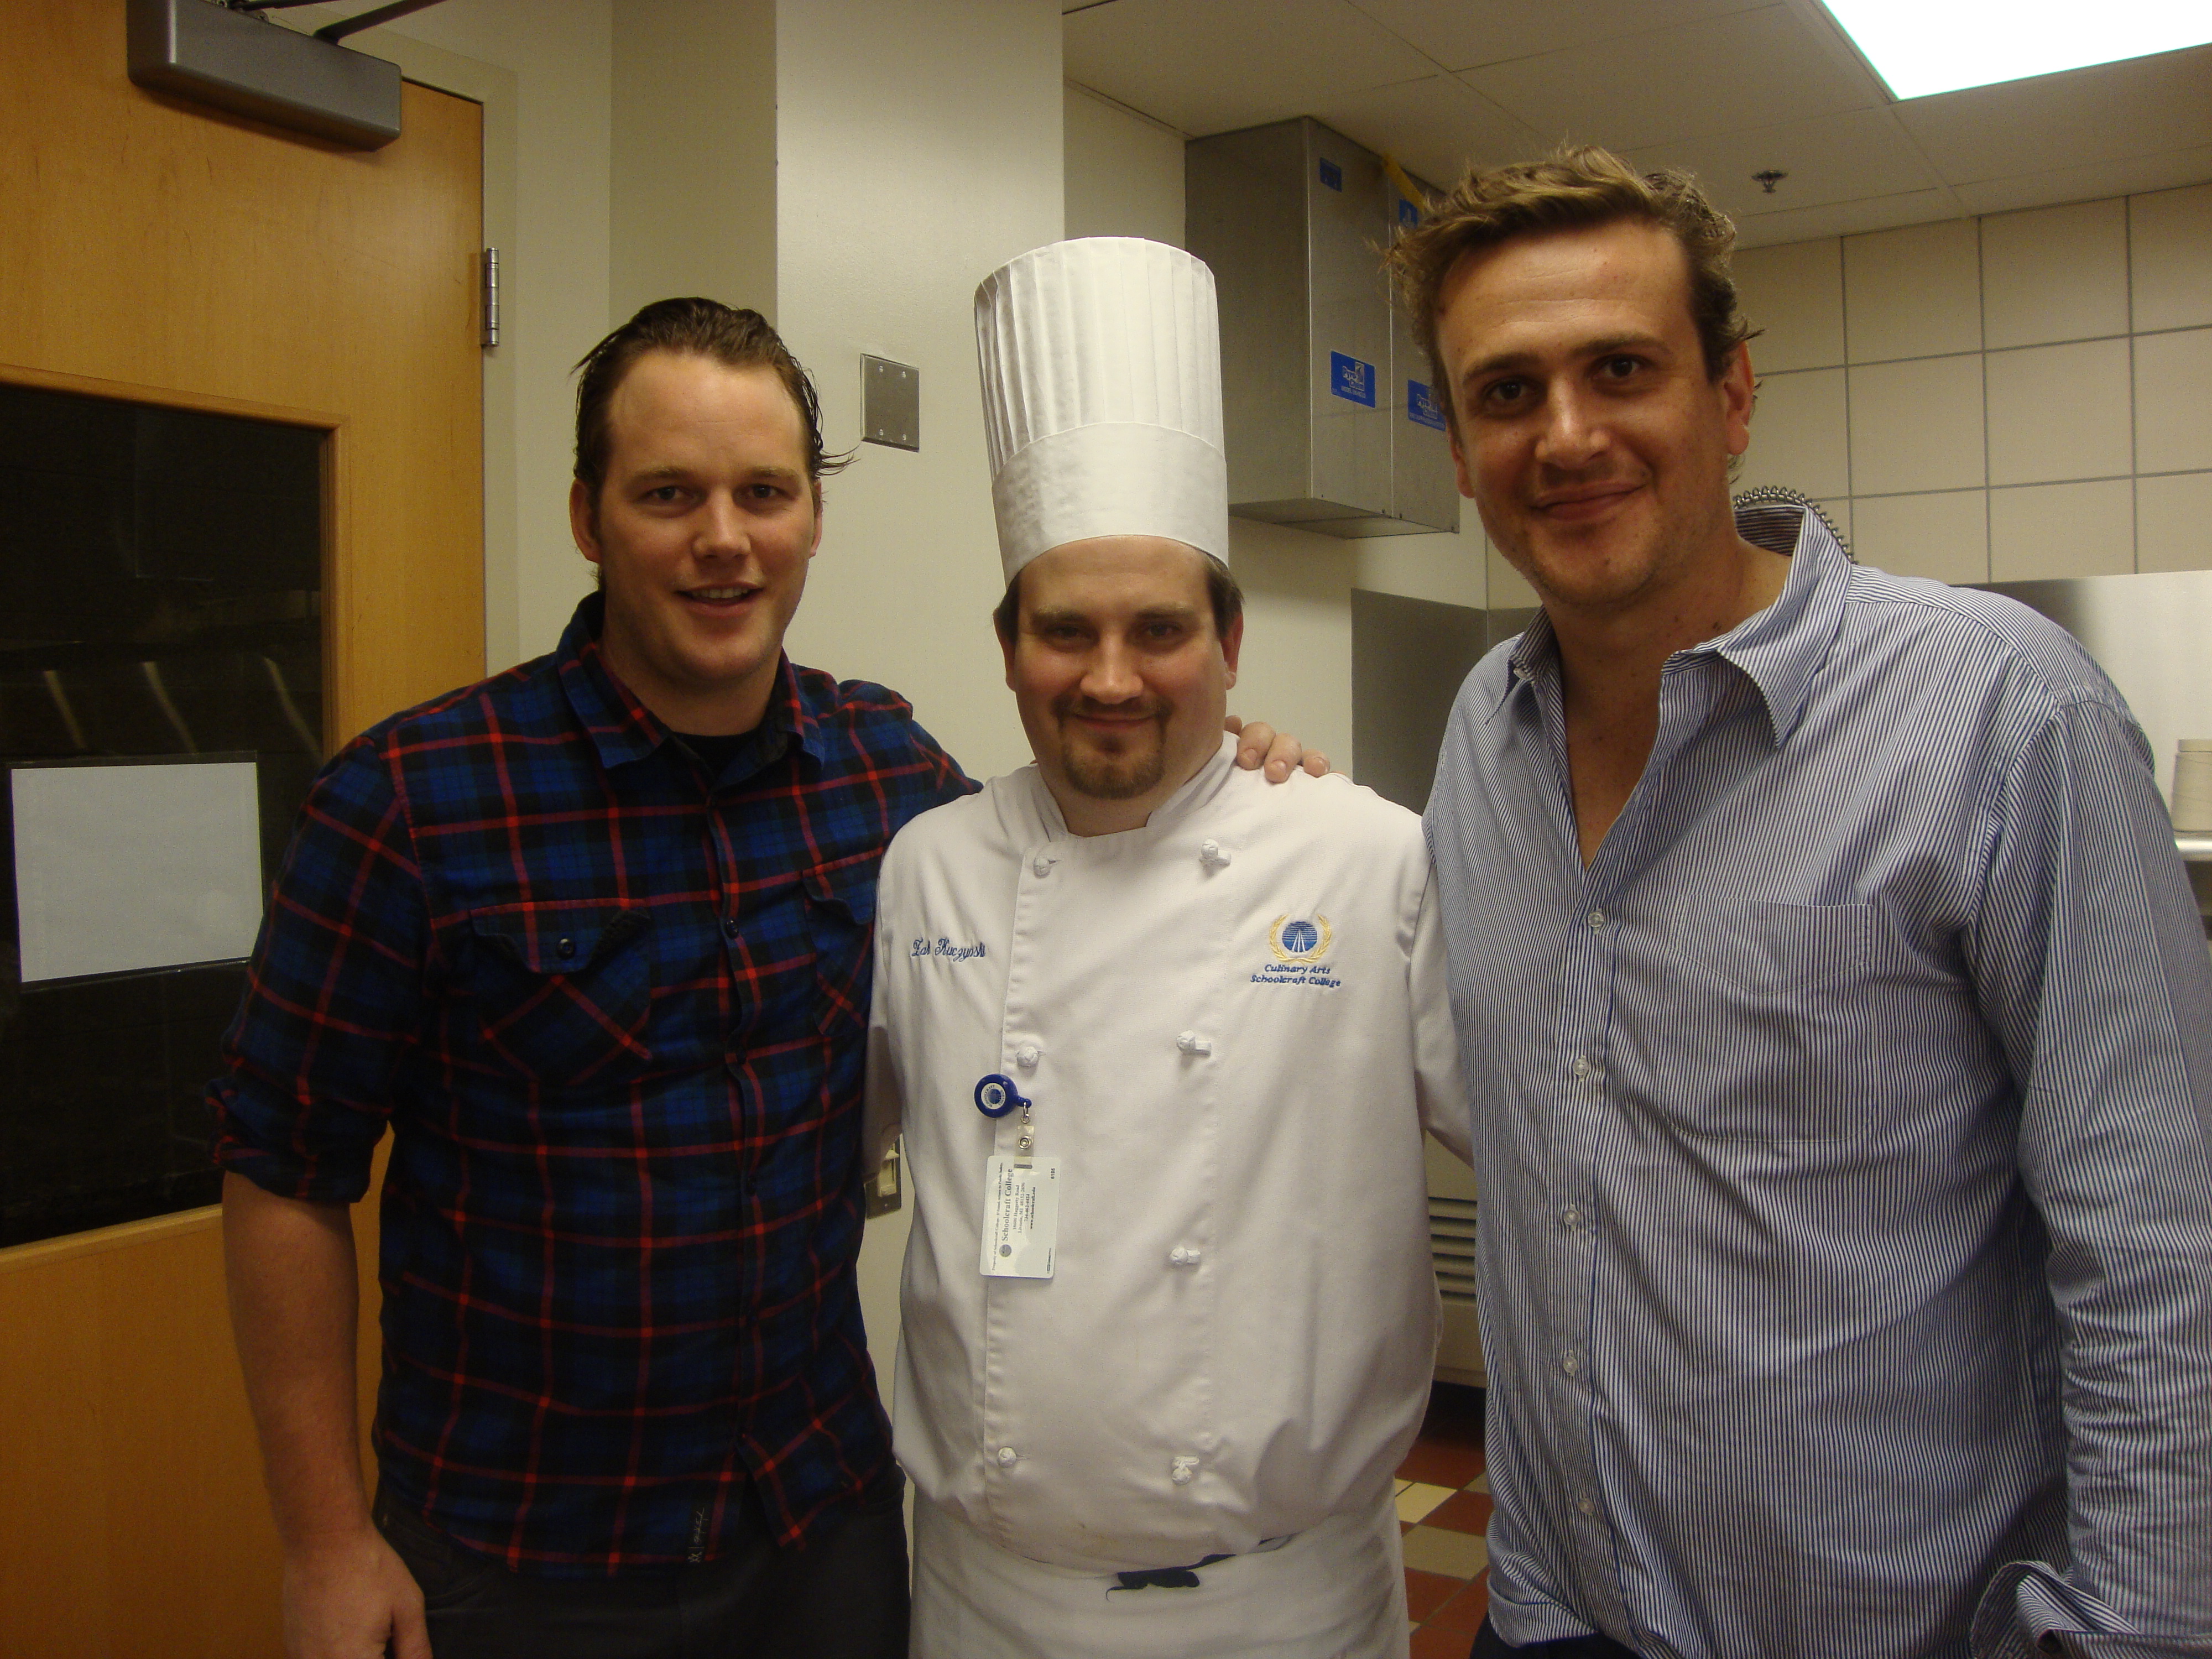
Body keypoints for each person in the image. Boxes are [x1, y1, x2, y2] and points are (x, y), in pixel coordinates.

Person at [211, 296, 1318, 1659]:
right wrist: (326, 1541)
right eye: (668, 493)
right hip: (524, 1550)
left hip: (820, 1526)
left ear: (808, 518)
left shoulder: (888, 781)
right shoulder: (413, 799)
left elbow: (1083, 866)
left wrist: (1229, 764)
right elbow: (283, 1178)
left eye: (763, 492)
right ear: (586, 516)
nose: (722, 539)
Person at [1387, 147, 2212, 1658]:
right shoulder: (1478, 737)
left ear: (1733, 393)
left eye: (1621, 368)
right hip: (1552, 1614)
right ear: (1459, 449)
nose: (1565, 435)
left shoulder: (1999, 713)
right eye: (1507, 393)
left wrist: (2140, 1632)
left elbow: (2161, 1243)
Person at [863, 236, 1470, 1659]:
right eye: (1065, 631)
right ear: (1009, 645)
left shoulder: (1368, 853)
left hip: (1286, 1605)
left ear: (1231, 641)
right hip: (974, 1595)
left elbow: (1548, 1163)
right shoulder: (927, 869)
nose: (1112, 676)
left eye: (1160, 630)